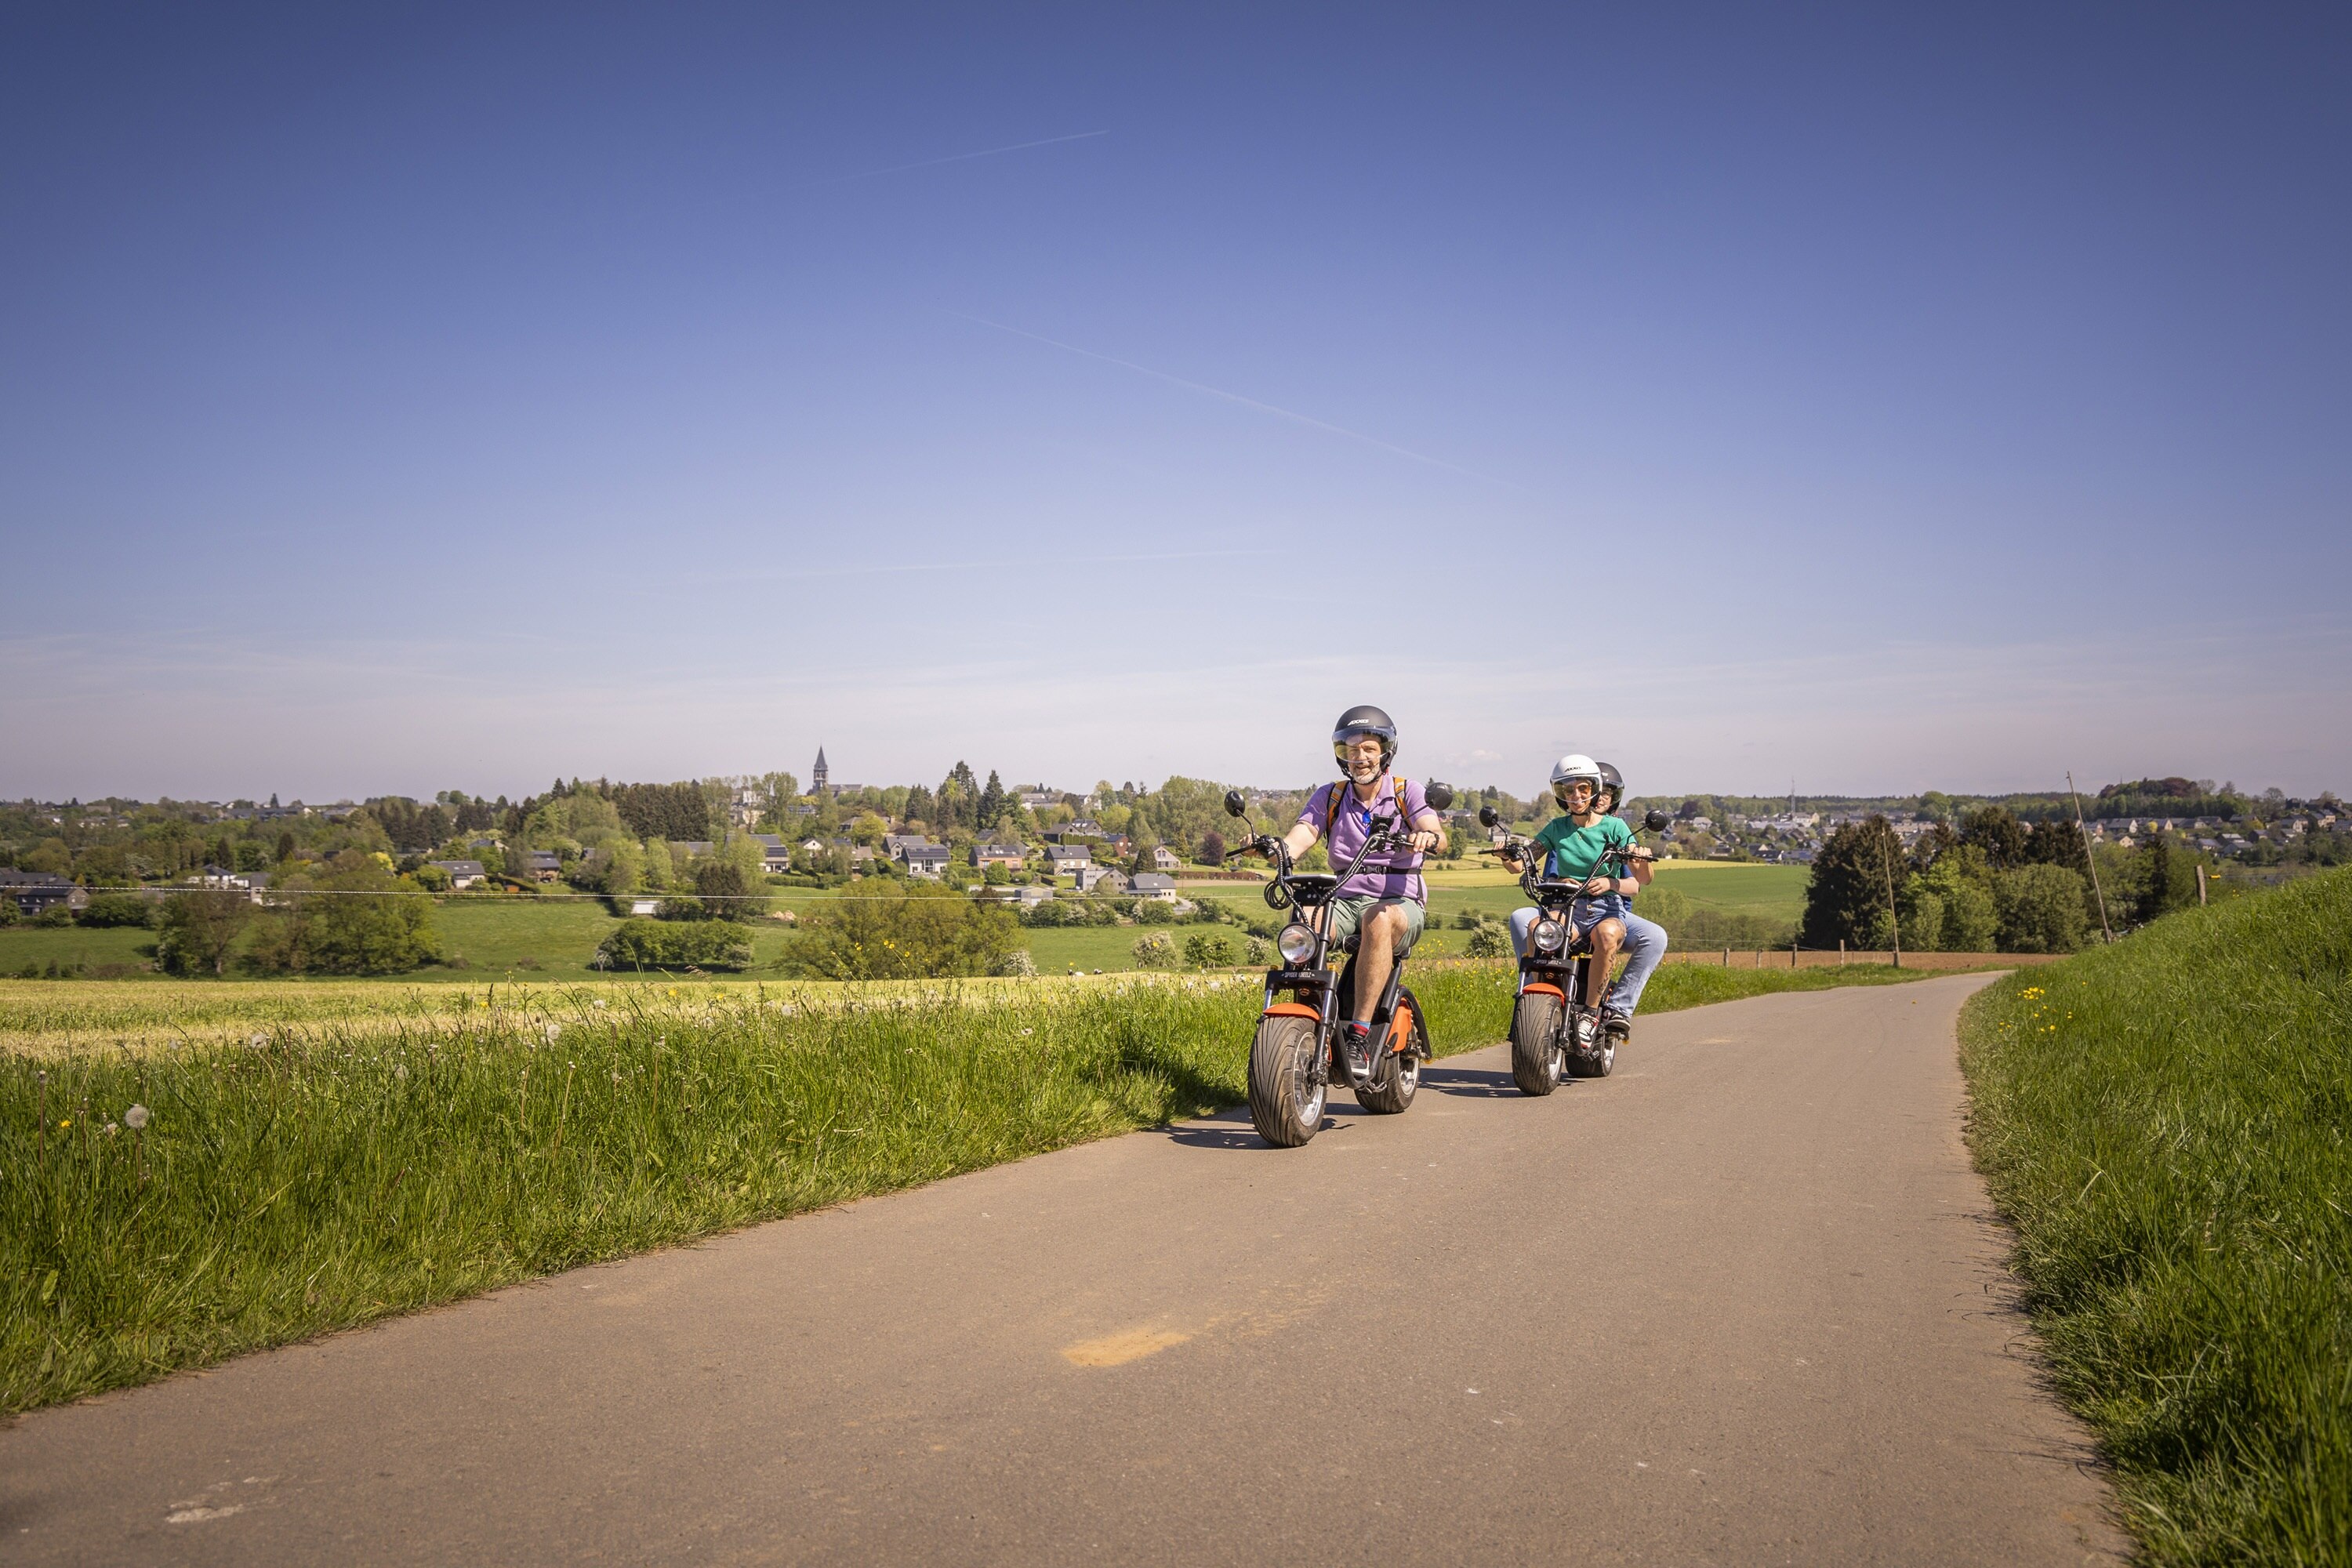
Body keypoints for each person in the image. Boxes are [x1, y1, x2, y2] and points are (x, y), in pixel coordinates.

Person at [1272, 705, 1446, 1080]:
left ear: (1385, 751)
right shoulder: (1331, 796)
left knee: (1378, 919)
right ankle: (1311, 1019)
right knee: (1305, 918)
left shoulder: (1406, 791)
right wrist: (1277, 849)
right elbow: (1303, 834)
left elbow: (1435, 830)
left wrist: (1425, 835)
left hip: (1400, 904)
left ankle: (1359, 1037)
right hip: (1344, 899)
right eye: (1351, 750)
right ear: (1342, 755)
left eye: (1368, 748)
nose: (1360, 757)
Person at [1500, 753, 1642, 1047]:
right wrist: (1507, 855)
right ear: (1560, 794)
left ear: (1595, 789)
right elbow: (1524, 861)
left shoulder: (1616, 829)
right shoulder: (1557, 828)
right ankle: (1535, 997)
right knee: (1539, 928)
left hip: (1607, 908)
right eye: (1568, 790)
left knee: (1607, 935)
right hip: (1570, 907)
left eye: (1583, 789)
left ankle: (1591, 1012)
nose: (1576, 795)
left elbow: (1644, 878)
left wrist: (1622, 872)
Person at [1595, 761, 1668, 1046]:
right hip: (1566, 910)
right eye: (1596, 790)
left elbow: (1637, 883)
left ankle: (1619, 1008)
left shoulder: (1619, 829)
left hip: (1613, 909)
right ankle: (1529, 993)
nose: (1601, 798)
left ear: (1615, 798)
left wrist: (1611, 883)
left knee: (1655, 937)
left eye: (1607, 793)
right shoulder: (1566, 828)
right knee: (1522, 918)